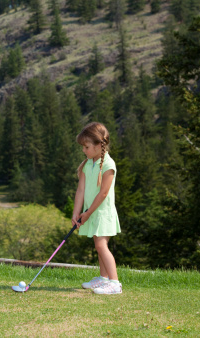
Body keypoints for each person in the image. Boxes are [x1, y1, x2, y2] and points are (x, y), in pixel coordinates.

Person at [72, 122, 122, 295]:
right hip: (91, 212)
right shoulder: (88, 164)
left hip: (102, 213)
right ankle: (104, 279)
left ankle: (115, 283)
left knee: (101, 245)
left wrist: (87, 213)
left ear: (99, 145)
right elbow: (81, 190)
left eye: (86, 147)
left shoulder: (109, 165)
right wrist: (76, 212)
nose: (84, 150)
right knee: (98, 244)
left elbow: (103, 194)